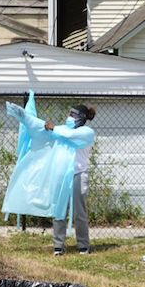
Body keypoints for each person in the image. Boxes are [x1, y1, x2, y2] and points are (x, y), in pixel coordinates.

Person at [45, 105, 96, 256]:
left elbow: (68, 135)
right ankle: (58, 246)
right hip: (62, 176)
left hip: (78, 175)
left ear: (81, 118)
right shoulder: (62, 130)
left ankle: (83, 246)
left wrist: (53, 128)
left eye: (73, 115)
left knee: (79, 212)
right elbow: (47, 133)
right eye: (70, 114)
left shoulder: (86, 133)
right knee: (59, 210)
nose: (70, 117)